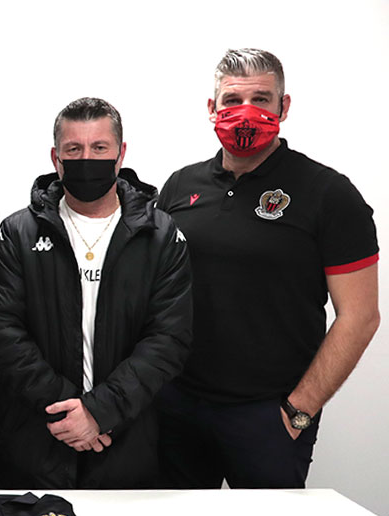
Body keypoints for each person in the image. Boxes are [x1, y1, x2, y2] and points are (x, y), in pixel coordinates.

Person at [156, 49, 379, 489]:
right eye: (232, 100)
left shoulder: (329, 194)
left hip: (267, 417)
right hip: (177, 406)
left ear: (284, 106)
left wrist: (298, 411)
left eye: (261, 99)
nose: (246, 112)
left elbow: (360, 316)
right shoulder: (180, 186)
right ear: (212, 108)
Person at [0, 97, 192, 489]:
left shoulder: (161, 236)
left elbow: (168, 339)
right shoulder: (18, 233)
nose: (86, 158)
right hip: (32, 444)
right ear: (56, 158)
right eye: (74, 149)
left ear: (120, 154)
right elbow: (0, 331)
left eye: (99, 148)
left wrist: (100, 412)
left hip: (125, 444)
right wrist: (73, 413)